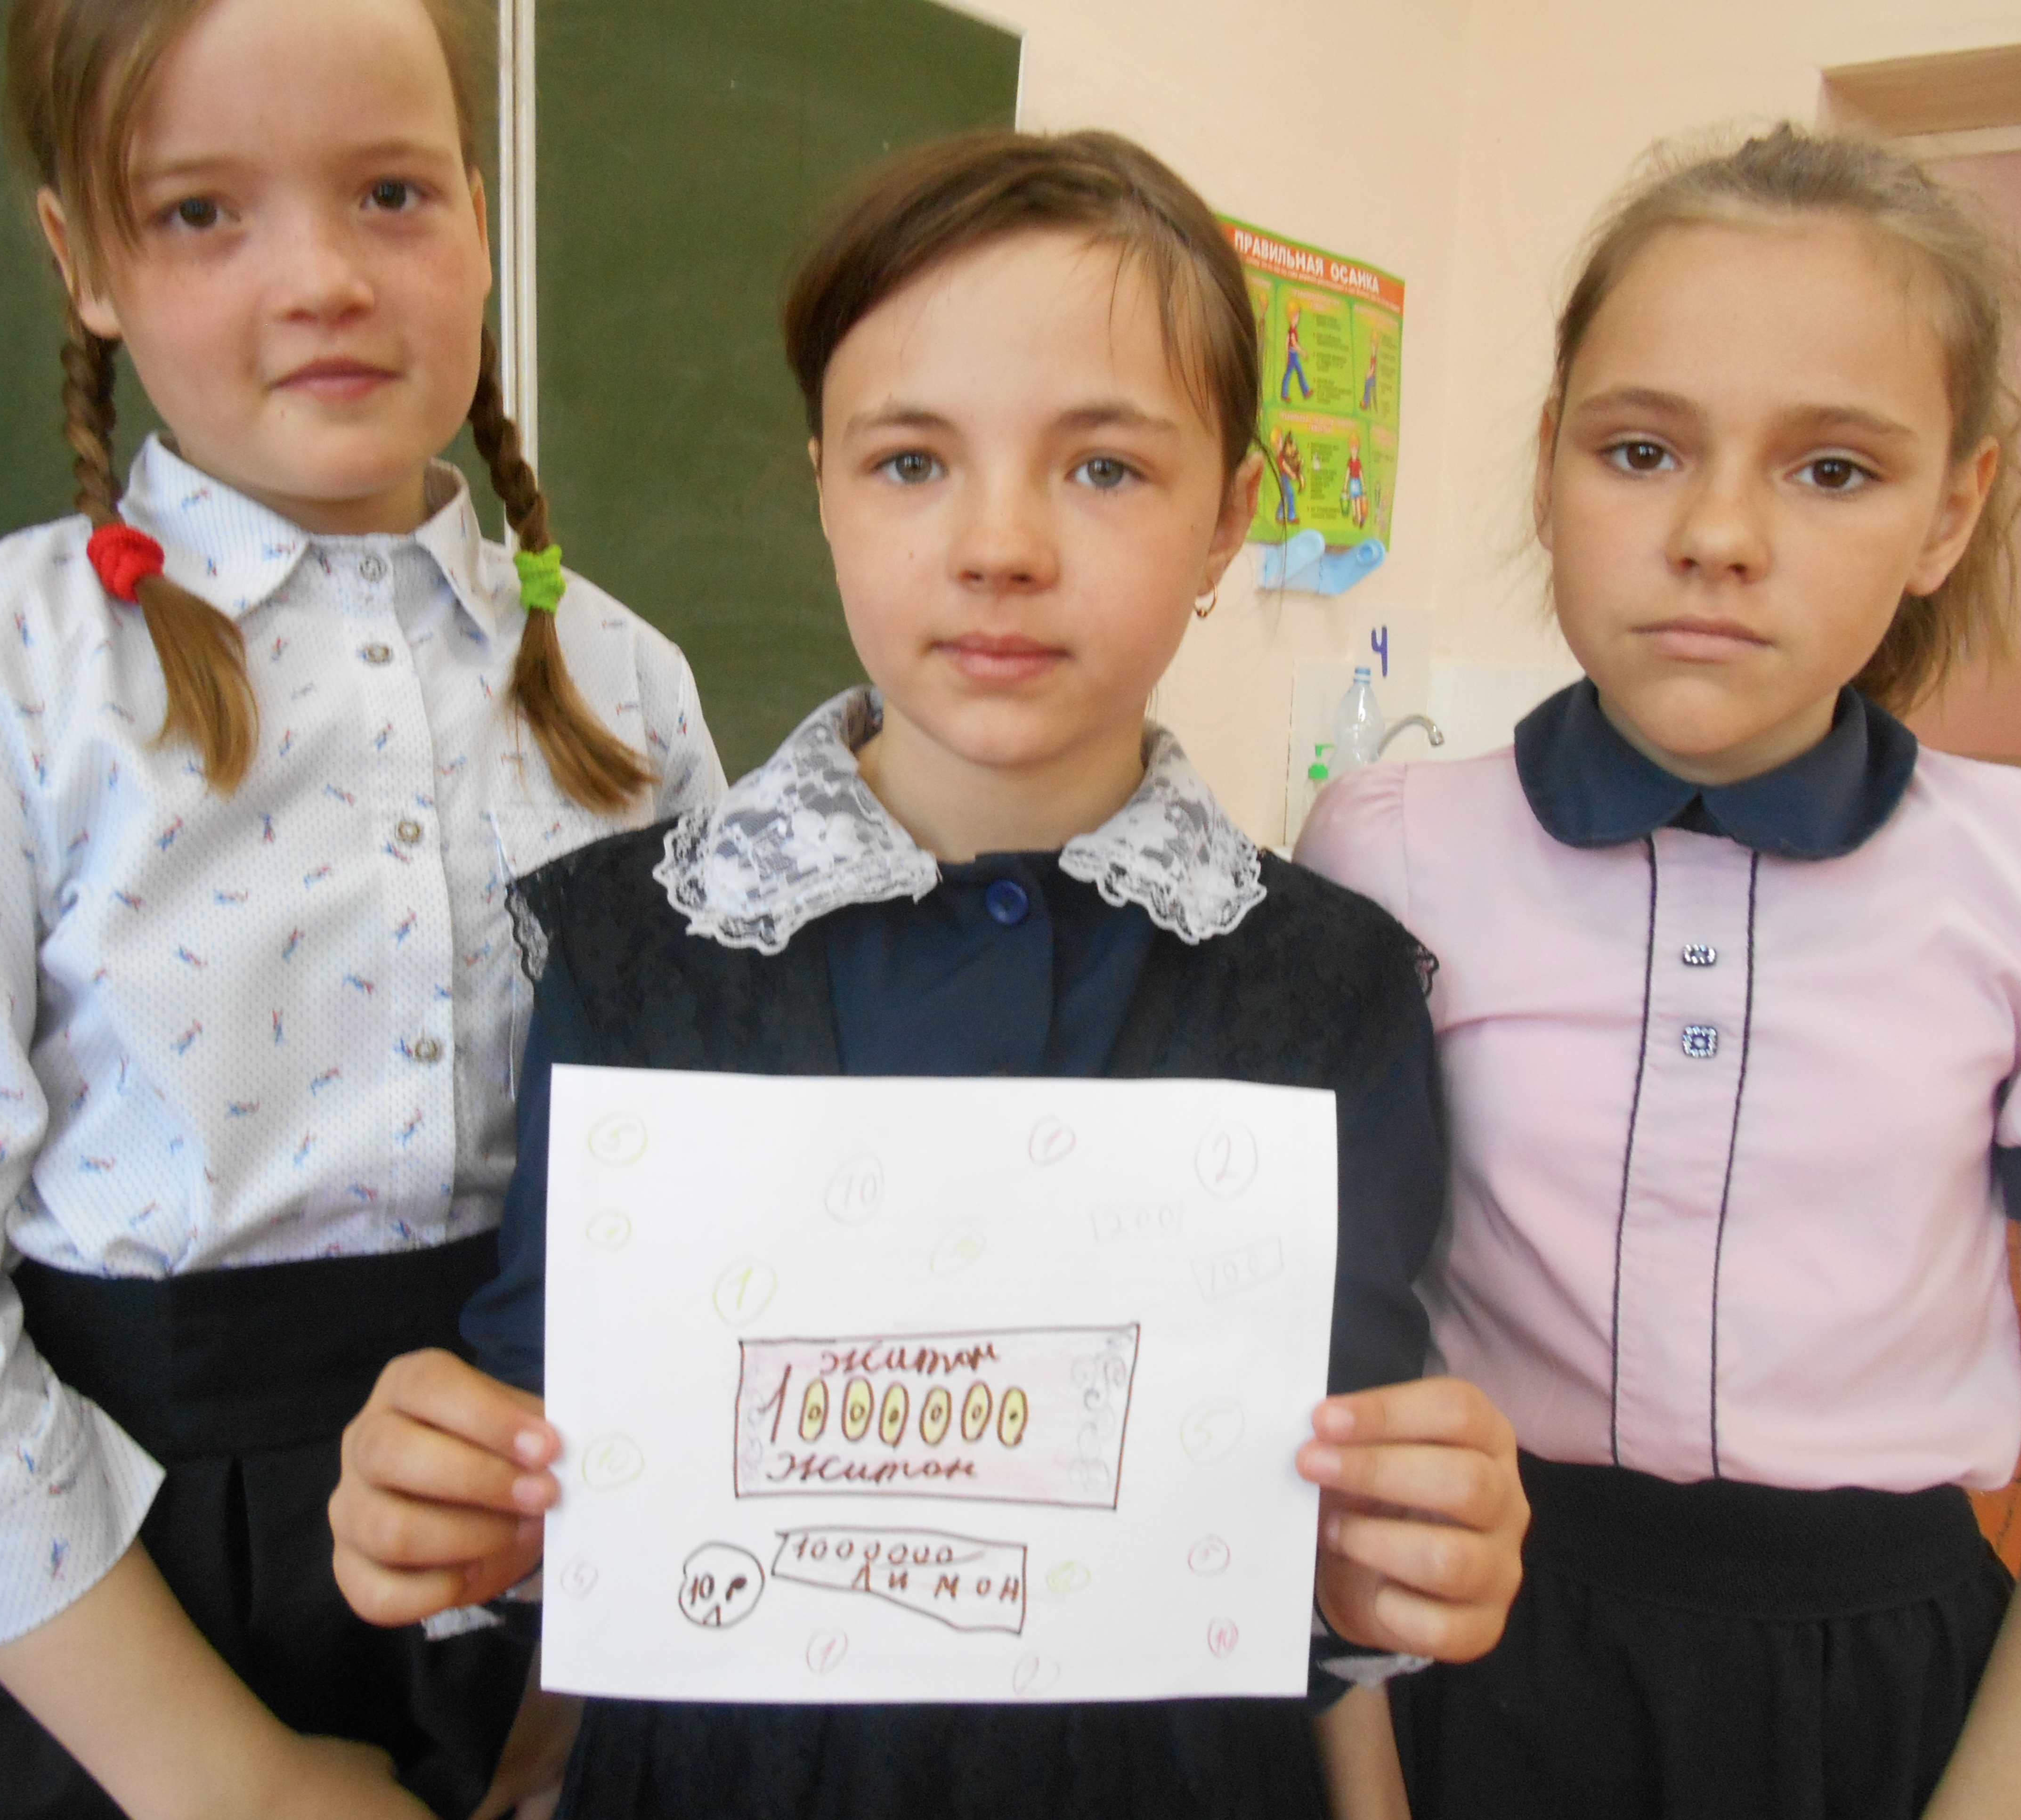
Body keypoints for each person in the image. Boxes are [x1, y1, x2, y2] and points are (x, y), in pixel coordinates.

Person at [329, 128, 1529, 1820]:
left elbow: (1329, 1528)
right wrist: (456, 1508)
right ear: (822, 486)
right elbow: (557, 1466)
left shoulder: (1328, 991)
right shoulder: (640, 953)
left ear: (1228, 520)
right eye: (911, 462)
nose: (1000, 545)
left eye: (1104, 468)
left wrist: (1388, 1561)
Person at [0, 0, 722, 1815]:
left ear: (479, 216)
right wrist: (228, 1778)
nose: (323, 280)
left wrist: (572, 1698)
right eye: (200, 212)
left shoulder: (632, 684)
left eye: (392, 193)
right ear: (82, 258)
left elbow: (696, 1212)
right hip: (110, 1666)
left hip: (540, 1592)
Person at [1298, 124, 2021, 1820]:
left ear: (1951, 512)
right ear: (1551, 468)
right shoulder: (1387, 847)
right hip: (1479, 1661)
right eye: (1641, 449)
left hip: (1878, 1697)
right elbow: (1324, 1387)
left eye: (1833, 470)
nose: (1717, 533)